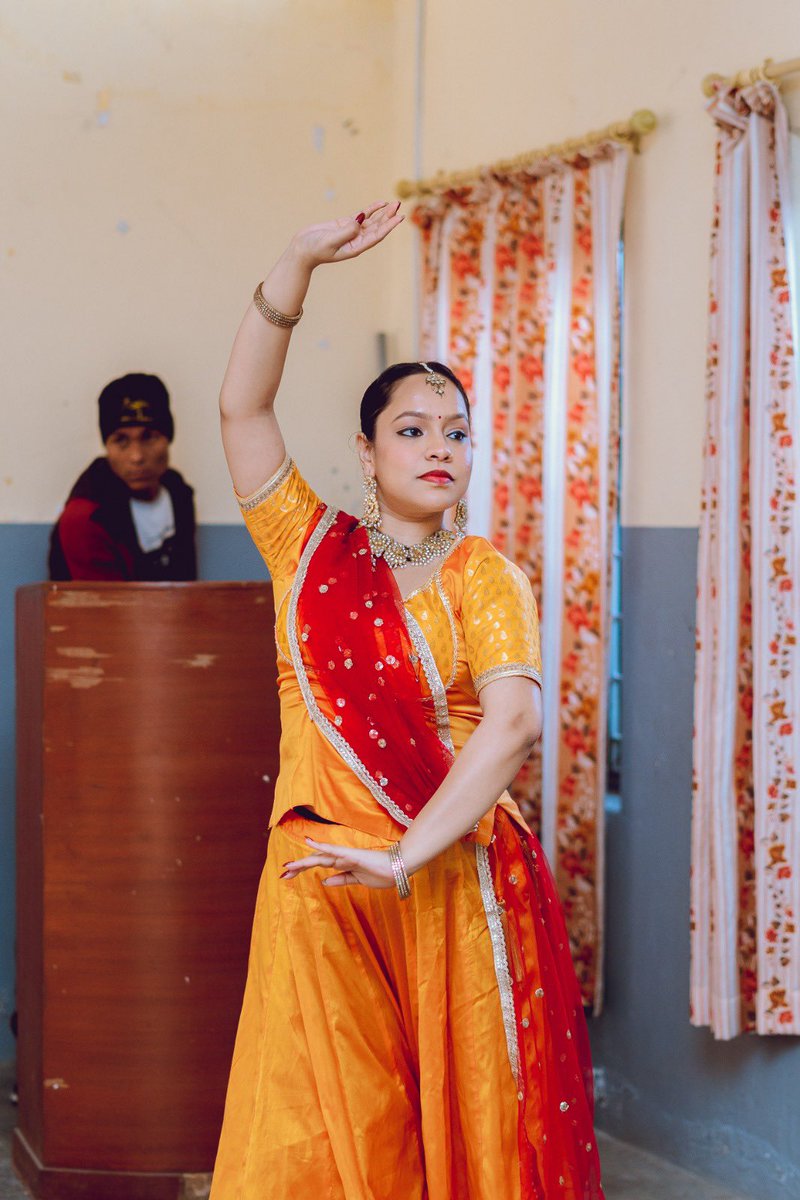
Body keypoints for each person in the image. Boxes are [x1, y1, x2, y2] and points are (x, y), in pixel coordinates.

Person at [211, 202, 604, 1199]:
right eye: (413, 428)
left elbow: (510, 724)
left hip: (446, 878)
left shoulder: (483, 575)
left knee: (464, 1127)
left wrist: (401, 855)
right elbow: (241, 412)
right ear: (367, 448)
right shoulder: (308, 551)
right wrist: (294, 262)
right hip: (318, 877)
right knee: (319, 1122)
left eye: (457, 432)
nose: (439, 446)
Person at [48, 373, 197, 581]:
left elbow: (186, 585)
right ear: (107, 446)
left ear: (168, 438)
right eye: (121, 441)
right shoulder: (85, 517)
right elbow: (105, 608)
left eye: (149, 437)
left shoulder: (178, 493)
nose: (136, 457)